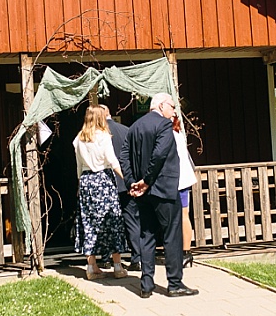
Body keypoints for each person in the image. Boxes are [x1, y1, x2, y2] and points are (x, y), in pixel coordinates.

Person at [124, 92, 199, 298]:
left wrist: (132, 182)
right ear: (162, 105)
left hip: (143, 193)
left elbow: (124, 156)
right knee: (171, 236)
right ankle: (175, 283)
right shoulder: (164, 125)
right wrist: (146, 181)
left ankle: (146, 284)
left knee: (146, 235)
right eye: (172, 107)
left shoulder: (135, 126)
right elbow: (159, 155)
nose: (174, 111)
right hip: (163, 190)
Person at [73, 106, 128, 280]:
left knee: (89, 222)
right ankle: (117, 266)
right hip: (104, 181)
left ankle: (91, 267)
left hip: (87, 182)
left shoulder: (79, 139)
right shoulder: (104, 137)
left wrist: (79, 185)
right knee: (112, 221)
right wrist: (127, 180)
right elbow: (112, 161)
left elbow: (79, 166)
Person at [100, 104, 142, 271]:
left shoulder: (98, 134)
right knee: (132, 220)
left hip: (107, 183)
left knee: (106, 221)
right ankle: (137, 258)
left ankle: (105, 257)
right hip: (125, 181)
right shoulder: (126, 130)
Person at [172, 114, 198, 266]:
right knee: (183, 215)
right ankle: (186, 252)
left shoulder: (172, 136)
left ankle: (184, 251)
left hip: (177, 180)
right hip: (183, 179)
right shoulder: (179, 135)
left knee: (181, 215)